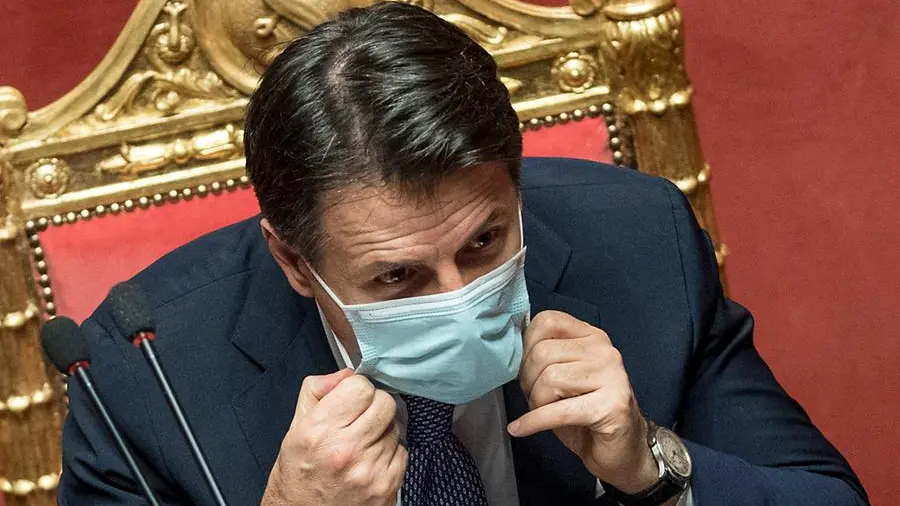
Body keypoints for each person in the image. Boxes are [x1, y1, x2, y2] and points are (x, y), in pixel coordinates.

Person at [58, 3, 867, 506]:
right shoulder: (145, 372)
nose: (458, 296)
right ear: (295, 262)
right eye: (396, 276)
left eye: (485, 242)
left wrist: (652, 465)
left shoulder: (640, 242)